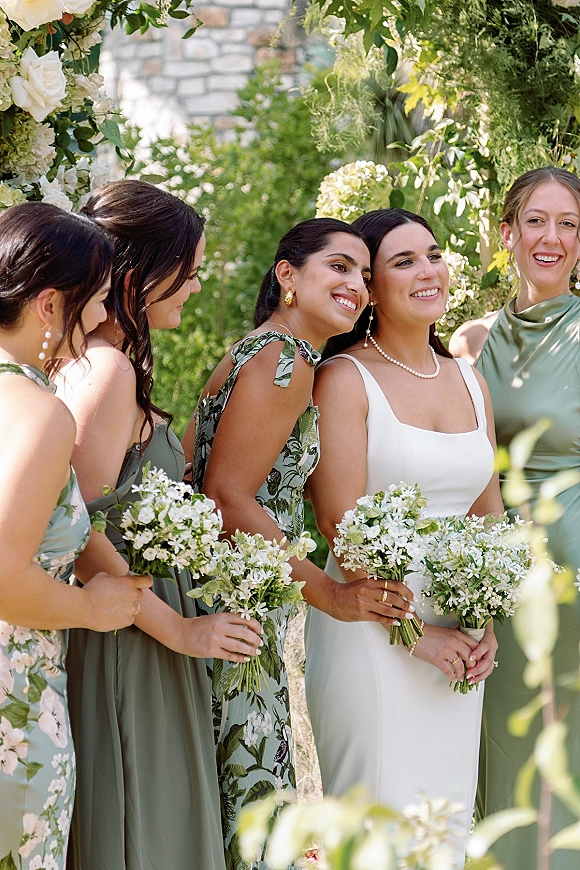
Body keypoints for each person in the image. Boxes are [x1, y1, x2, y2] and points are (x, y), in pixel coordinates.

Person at [182, 217, 417, 870]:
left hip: (220, 599)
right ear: (288, 274)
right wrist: (332, 595)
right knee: (253, 805)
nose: (358, 286)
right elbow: (229, 497)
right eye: (339, 266)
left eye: (366, 277)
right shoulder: (283, 362)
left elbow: (194, 477)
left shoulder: (261, 350)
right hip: (240, 613)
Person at [56, 180, 262, 870]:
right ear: (140, 276)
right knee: (145, 830)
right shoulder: (105, 370)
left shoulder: (120, 365)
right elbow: (74, 534)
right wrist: (179, 628)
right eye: (192, 270)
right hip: (129, 645)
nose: (198, 286)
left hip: (150, 637)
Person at [303, 208, 503, 866]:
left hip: (457, 643)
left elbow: (488, 516)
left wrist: (485, 626)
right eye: (404, 261)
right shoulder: (344, 379)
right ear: (369, 288)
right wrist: (416, 634)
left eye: (435, 255)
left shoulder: (471, 381)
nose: (429, 271)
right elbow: (341, 524)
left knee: (441, 828)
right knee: (379, 831)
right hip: (373, 634)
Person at [0, 202, 150, 870]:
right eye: (94, 302)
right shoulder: (38, 413)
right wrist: (93, 608)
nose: (101, 320)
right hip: (14, 711)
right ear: (50, 303)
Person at [451, 167, 580, 870]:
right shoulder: (468, 343)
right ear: (507, 234)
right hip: (488, 578)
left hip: (573, 575)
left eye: (568, 224)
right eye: (536, 220)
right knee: (503, 752)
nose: (551, 237)